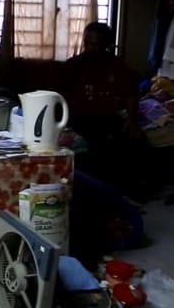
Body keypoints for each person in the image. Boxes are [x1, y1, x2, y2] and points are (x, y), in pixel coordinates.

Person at [60, 22, 149, 199]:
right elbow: (59, 98)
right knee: (90, 149)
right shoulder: (73, 65)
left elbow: (130, 94)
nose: (90, 47)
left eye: (96, 43)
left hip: (107, 118)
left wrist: (132, 121)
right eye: (88, 42)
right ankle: (91, 193)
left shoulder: (116, 65)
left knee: (135, 143)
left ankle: (127, 193)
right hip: (79, 119)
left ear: (106, 44)